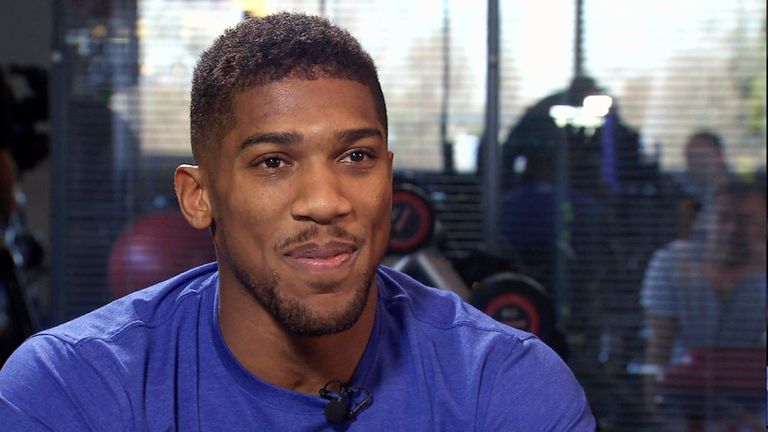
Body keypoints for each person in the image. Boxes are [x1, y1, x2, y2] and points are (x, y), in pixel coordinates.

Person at [0, 13, 595, 430]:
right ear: (199, 196)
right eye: (273, 162)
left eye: (356, 156)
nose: (325, 201)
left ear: (389, 179)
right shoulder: (73, 389)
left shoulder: (507, 385)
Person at [641, 180, 766, 430]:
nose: (733, 229)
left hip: (752, 405)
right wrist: (656, 409)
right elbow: (658, 350)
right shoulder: (670, 264)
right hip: (682, 402)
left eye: (745, 220)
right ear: (707, 220)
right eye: (723, 218)